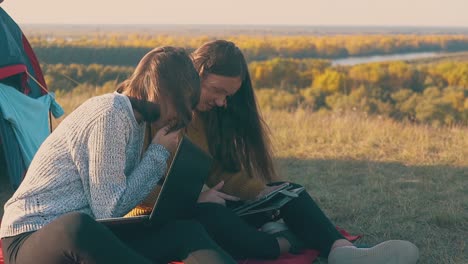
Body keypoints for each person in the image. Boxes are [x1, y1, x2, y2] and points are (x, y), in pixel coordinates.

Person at [129, 40, 420, 264]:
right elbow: (129, 188)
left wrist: (259, 192)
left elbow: (216, 172)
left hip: (198, 205)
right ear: (196, 74)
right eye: (217, 91)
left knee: (289, 193)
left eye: (227, 96)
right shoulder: (151, 114)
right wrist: (195, 199)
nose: (221, 103)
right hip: (164, 215)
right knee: (217, 220)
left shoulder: (204, 119)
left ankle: (342, 251)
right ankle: (280, 241)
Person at [0, 46, 236, 264]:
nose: (180, 117)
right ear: (164, 92)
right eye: (182, 104)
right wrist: (157, 153)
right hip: (29, 236)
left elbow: (120, 203)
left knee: (185, 232)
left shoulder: (138, 123)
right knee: (77, 225)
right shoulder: (110, 113)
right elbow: (109, 210)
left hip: (91, 234)